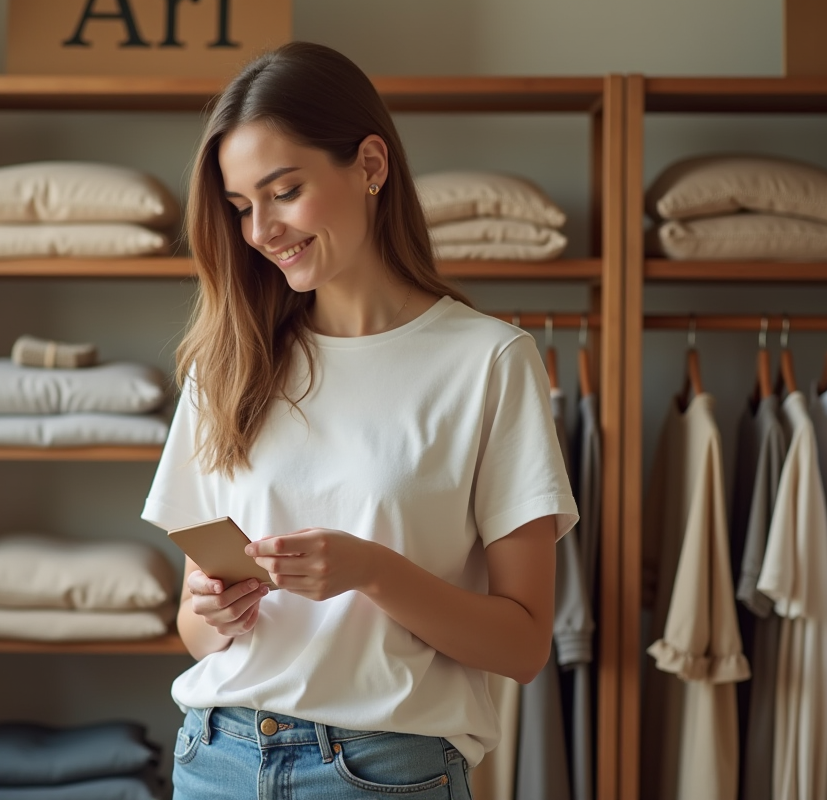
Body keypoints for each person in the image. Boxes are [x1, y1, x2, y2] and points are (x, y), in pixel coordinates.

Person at [141, 41, 578, 800]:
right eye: (242, 207)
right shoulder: (225, 363)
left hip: (383, 774)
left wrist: (372, 571)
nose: (260, 232)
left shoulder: (489, 362)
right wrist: (215, 609)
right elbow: (194, 629)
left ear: (370, 165)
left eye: (284, 191)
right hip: (214, 758)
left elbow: (524, 643)